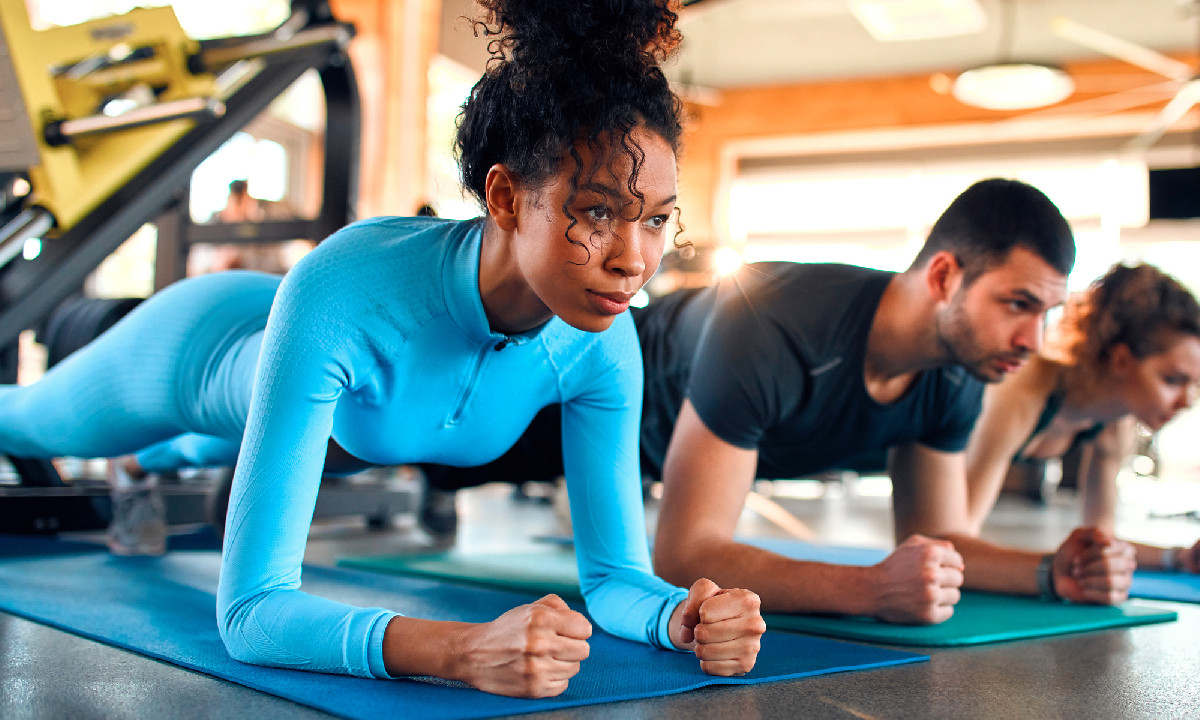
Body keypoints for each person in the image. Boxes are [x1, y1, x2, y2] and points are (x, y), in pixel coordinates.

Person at [0, 0, 764, 696]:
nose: (634, 259)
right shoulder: (347, 290)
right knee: (25, 421)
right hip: (199, 347)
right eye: (598, 213)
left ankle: (148, 466)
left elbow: (615, 579)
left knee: (237, 446)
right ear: (503, 196)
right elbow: (252, 612)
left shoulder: (603, 342)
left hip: (332, 409)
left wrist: (681, 617)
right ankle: (137, 452)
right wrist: (463, 651)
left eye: (658, 220)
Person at [417, 178, 1136, 623]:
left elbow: (939, 540)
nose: (1032, 338)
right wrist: (867, 590)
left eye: (1046, 312)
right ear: (945, 276)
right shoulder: (777, 320)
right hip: (577, 387)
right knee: (412, 445)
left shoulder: (955, 374)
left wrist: (1051, 572)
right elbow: (684, 554)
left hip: (644, 449)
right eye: (1017, 304)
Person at [965, 262, 1200, 573]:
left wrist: (1179, 558)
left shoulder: (1114, 422)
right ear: (1120, 361)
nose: (1187, 401)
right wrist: (1053, 573)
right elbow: (954, 538)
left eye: (1196, 385)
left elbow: (1100, 543)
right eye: (1173, 380)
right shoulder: (1023, 390)